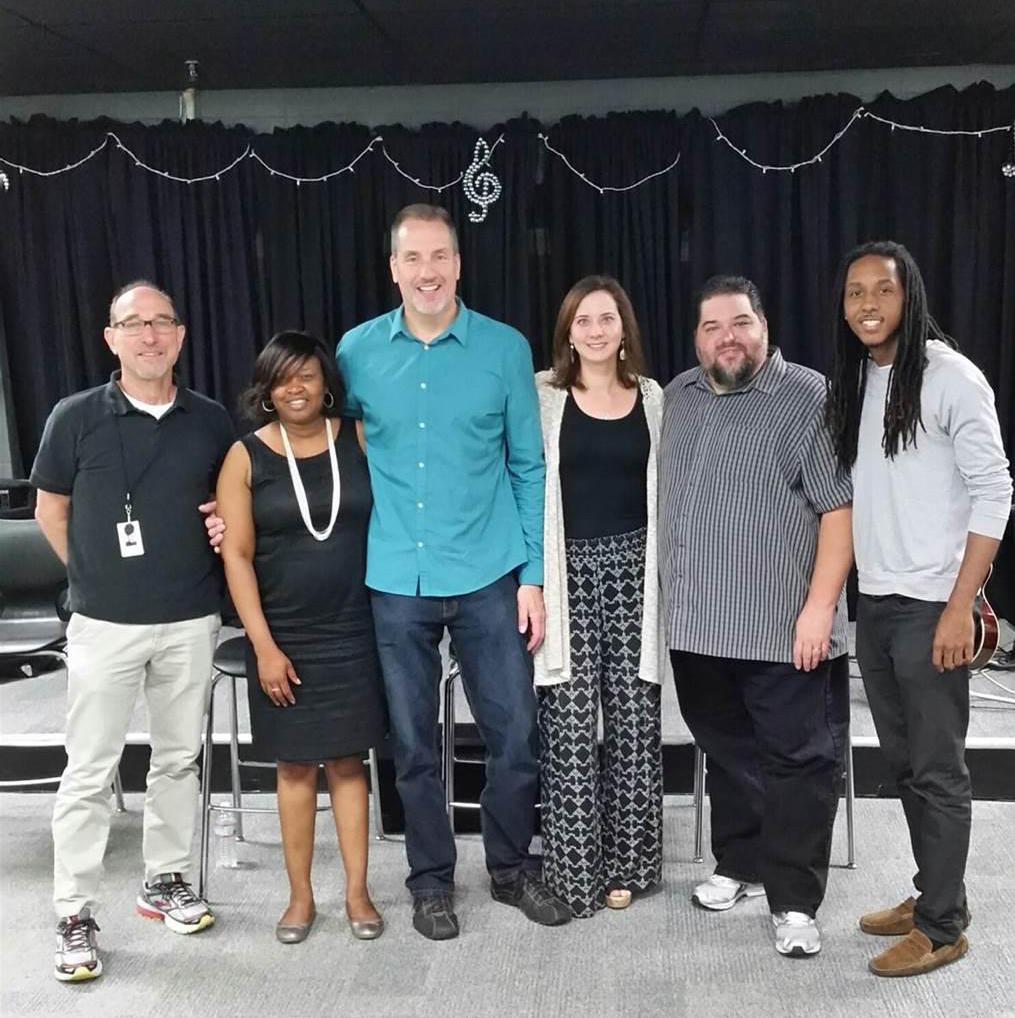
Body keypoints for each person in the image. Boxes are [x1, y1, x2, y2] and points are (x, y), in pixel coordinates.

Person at [336, 203, 571, 939]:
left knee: (514, 734)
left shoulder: (503, 349)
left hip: (488, 572)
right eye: (413, 258)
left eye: (440, 256)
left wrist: (531, 575)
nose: (427, 272)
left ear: (459, 264)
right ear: (393, 267)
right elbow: (325, 453)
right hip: (394, 575)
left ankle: (509, 867)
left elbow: (530, 467)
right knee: (410, 745)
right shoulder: (355, 352)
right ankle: (430, 880)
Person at [31, 281, 233, 982]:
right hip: (104, 624)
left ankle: (165, 880)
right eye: (133, 324)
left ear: (180, 336)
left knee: (178, 761)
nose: (150, 336)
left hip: (189, 619)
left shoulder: (210, 421)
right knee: (89, 771)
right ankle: (73, 913)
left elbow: (227, 511)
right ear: (111, 338)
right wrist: (90, 577)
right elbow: (50, 508)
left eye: (162, 323)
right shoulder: (75, 416)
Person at [825, 240, 1012, 977]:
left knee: (936, 769)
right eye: (853, 293)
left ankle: (942, 928)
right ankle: (933, 890)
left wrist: (958, 608)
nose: (867, 304)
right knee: (903, 765)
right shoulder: (860, 380)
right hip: (874, 602)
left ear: (910, 297)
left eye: (882, 290)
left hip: (932, 604)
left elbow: (995, 491)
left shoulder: (947, 377)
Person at [660, 275, 853, 958]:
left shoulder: (806, 396)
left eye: (739, 322)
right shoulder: (678, 396)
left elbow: (839, 509)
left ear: (763, 325)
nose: (726, 338)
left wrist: (819, 609)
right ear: (696, 337)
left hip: (781, 628)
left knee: (797, 762)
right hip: (695, 626)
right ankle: (739, 862)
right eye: (711, 327)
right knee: (723, 747)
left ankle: (795, 901)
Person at [215, 331, 388, 944]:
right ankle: (299, 898)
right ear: (267, 387)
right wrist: (263, 645)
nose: (296, 387)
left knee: (348, 762)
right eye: (283, 377)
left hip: (357, 628)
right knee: (293, 767)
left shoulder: (359, 437)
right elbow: (235, 555)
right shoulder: (245, 456)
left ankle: (358, 893)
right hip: (283, 635)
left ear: (326, 383)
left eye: (308, 376)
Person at [533, 275, 665, 918]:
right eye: (581, 320)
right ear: (567, 331)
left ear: (623, 327)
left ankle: (630, 864)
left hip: (637, 574)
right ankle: (573, 867)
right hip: (566, 576)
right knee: (571, 724)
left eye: (605, 318)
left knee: (637, 722)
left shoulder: (654, 398)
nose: (594, 330)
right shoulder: (544, 396)